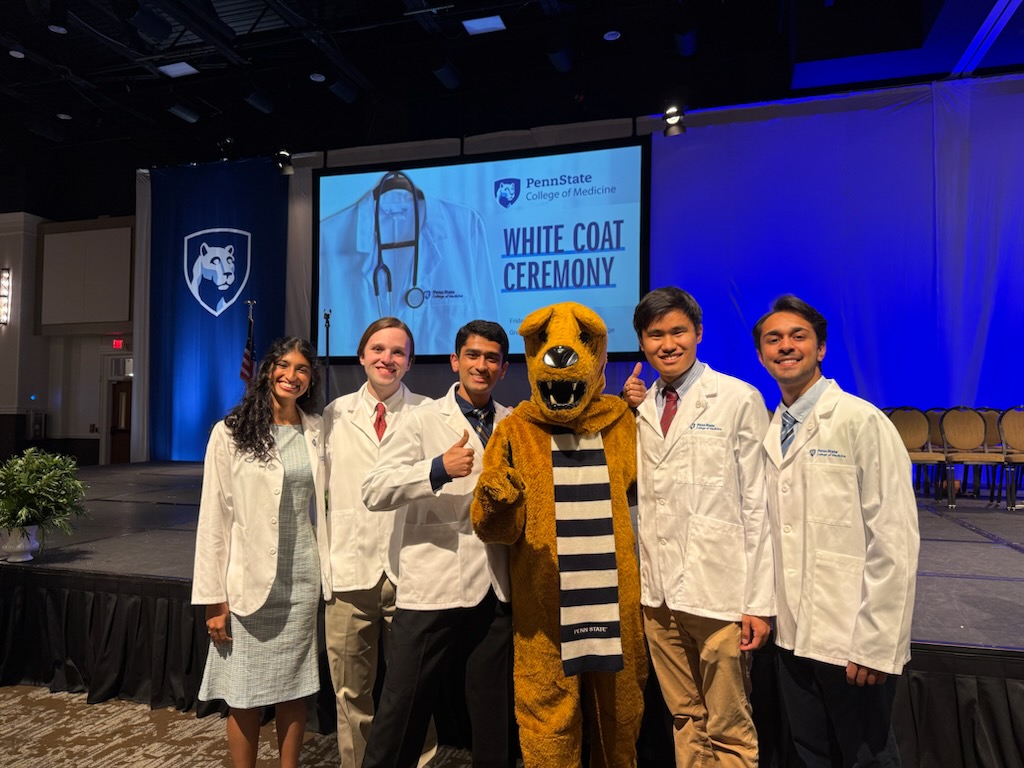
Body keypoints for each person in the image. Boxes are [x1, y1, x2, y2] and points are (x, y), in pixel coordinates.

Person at [752, 295, 919, 767]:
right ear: (762, 355)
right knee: (810, 754)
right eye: (773, 339)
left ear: (821, 349)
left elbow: (896, 541)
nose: (785, 346)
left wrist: (877, 643)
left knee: (868, 758)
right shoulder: (774, 428)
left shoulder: (860, 421)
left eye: (798, 336)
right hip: (793, 638)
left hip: (851, 639)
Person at [622, 287, 774, 767]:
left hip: (720, 595)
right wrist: (633, 408)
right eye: (655, 335)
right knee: (685, 717)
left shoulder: (736, 398)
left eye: (678, 332)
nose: (668, 343)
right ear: (643, 343)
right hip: (658, 597)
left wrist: (759, 603)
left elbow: (759, 504)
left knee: (729, 723)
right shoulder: (642, 407)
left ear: (698, 333)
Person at [361, 320, 514, 768]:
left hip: (495, 588)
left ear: (503, 369)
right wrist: (436, 469)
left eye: (491, 358)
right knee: (401, 711)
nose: (481, 365)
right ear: (455, 361)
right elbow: (374, 489)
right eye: (472, 355)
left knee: (493, 717)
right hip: (433, 587)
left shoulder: (513, 423)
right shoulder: (419, 419)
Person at [191, 337, 331, 768]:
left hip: (302, 577)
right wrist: (215, 600)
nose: (292, 375)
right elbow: (214, 520)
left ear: (310, 380)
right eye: (284, 366)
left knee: (295, 686)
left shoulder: (317, 430)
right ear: (268, 370)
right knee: (244, 694)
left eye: (303, 369)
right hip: (248, 583)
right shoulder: (230, 432)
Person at [322, 317, 436, 767]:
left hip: (412, 573)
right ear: (362, 355)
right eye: (378, 349)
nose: (387, 359)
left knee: (413, 690)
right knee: (351, 693)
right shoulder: (333, 415)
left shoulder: (430, 413)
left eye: (398, 352)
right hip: (350, 573)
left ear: (409, 361)